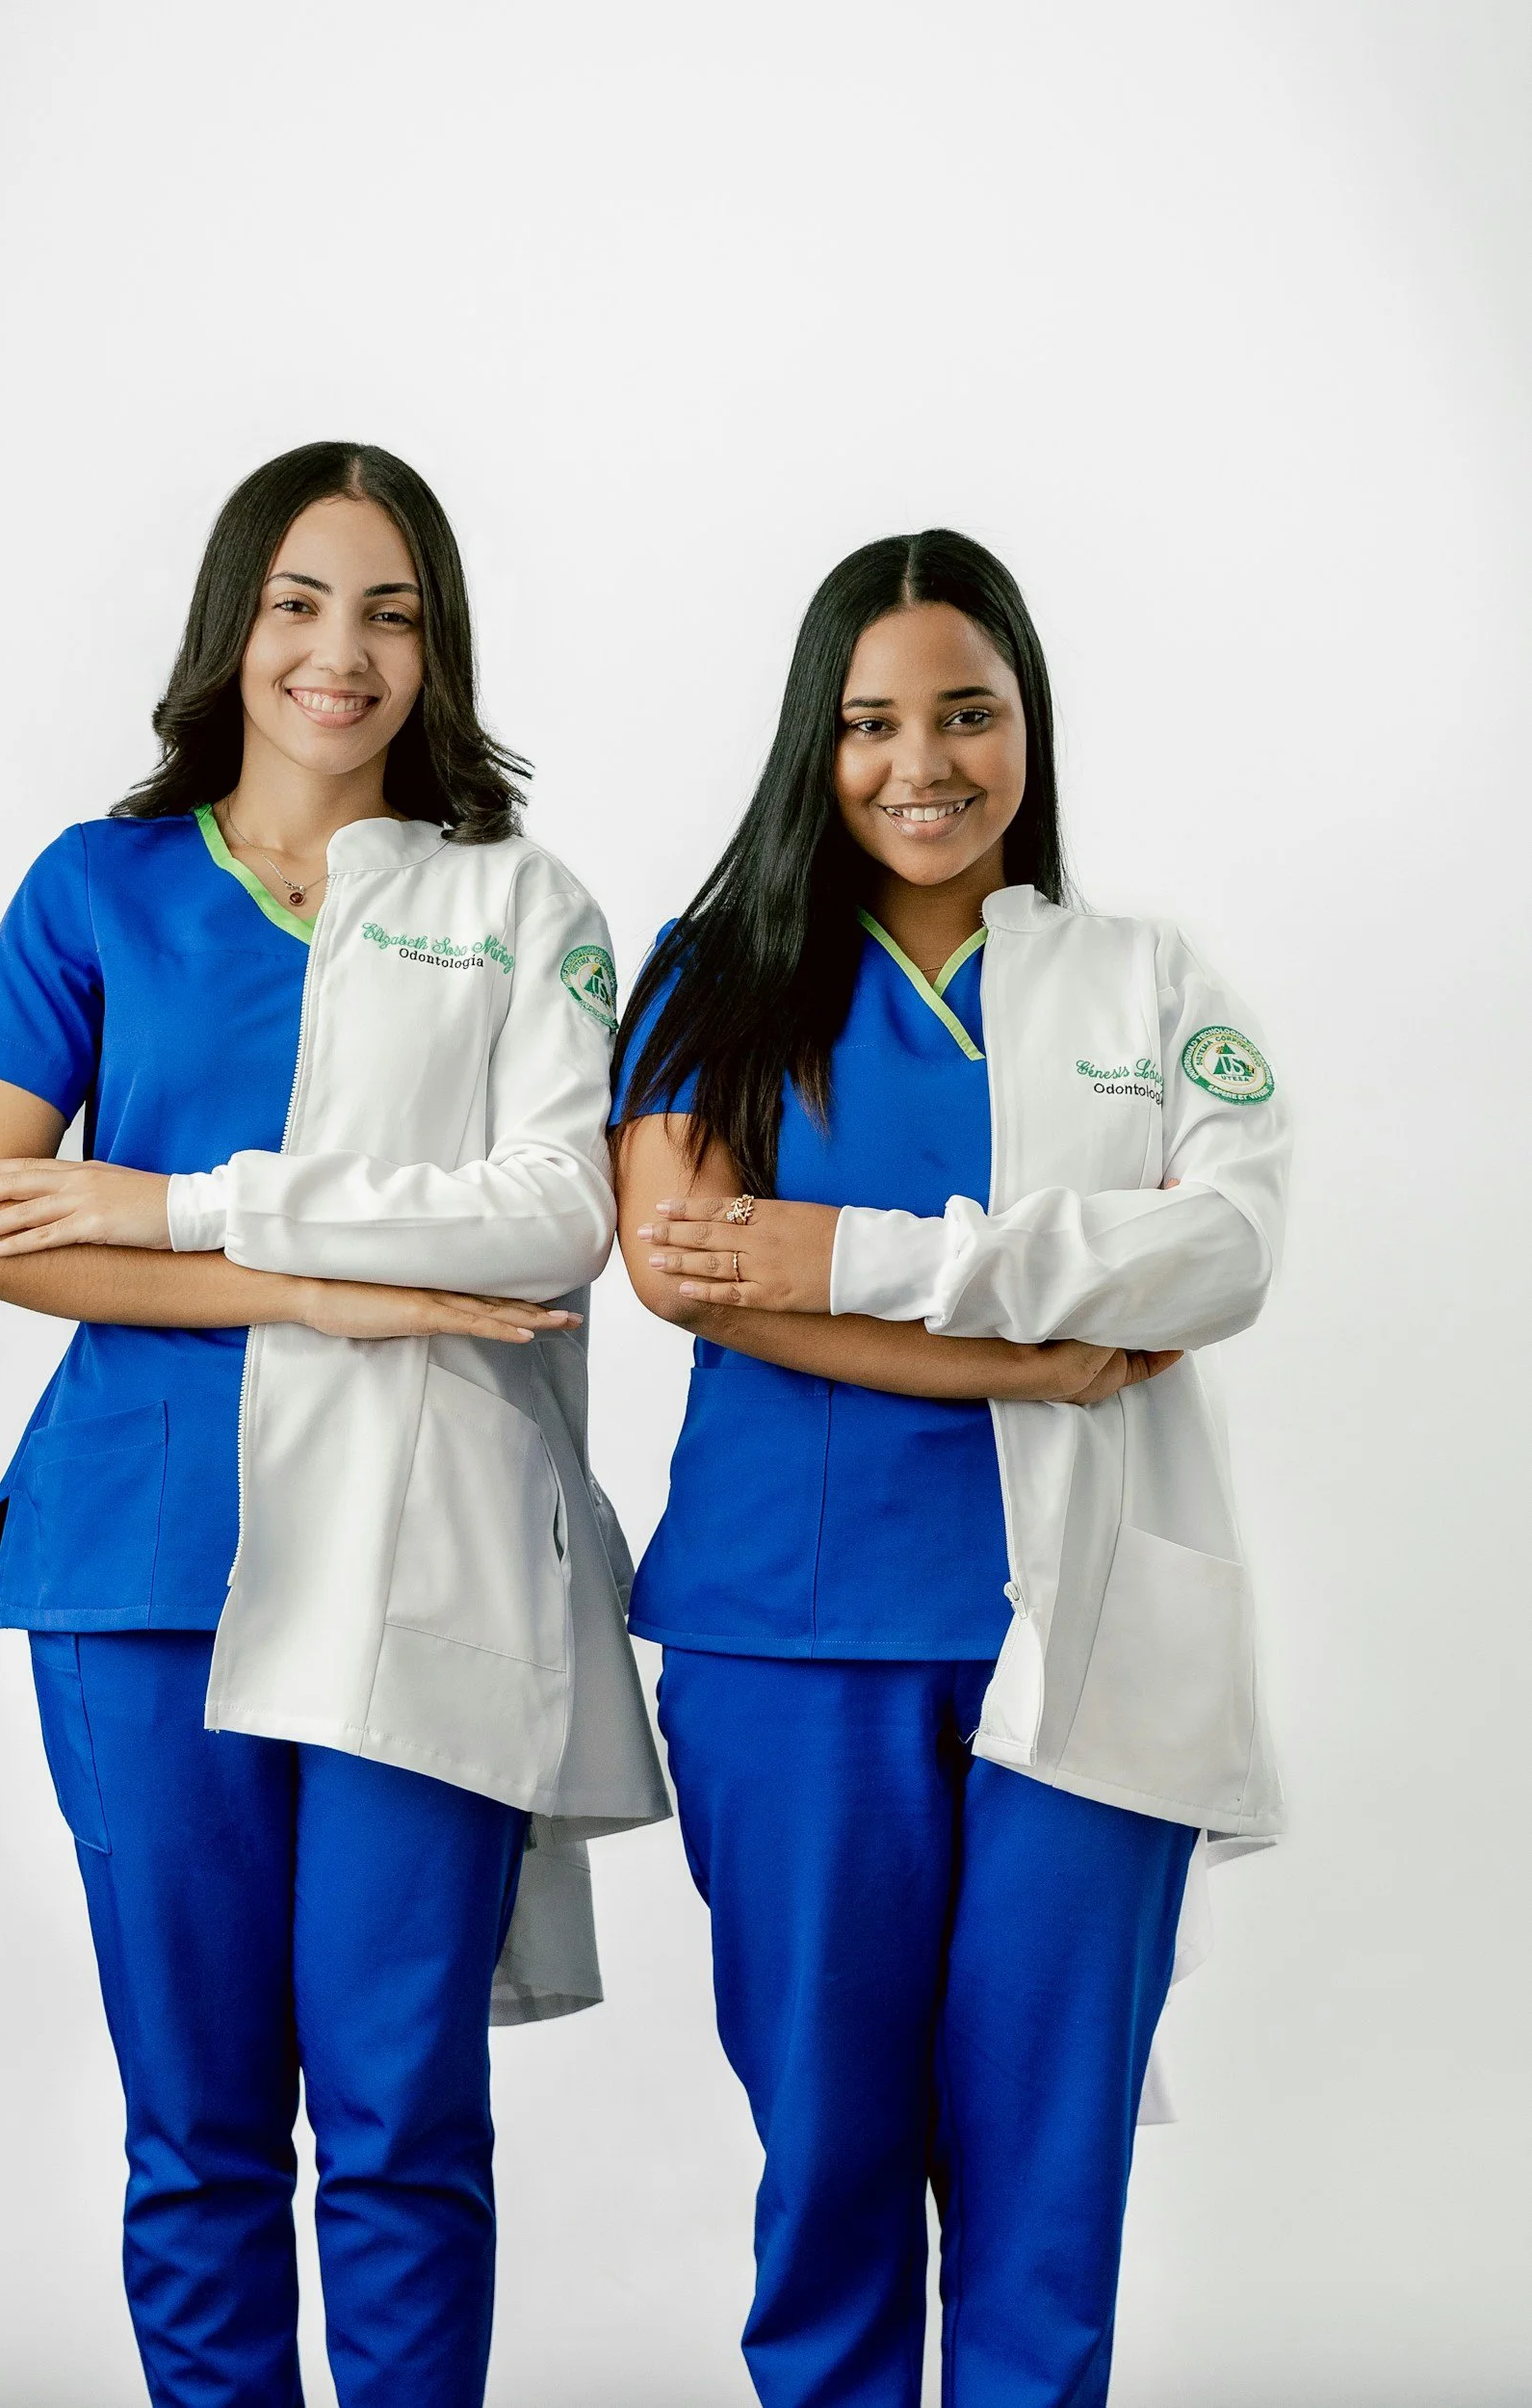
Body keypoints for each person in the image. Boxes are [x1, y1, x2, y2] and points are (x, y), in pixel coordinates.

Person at [0, 440, 667, 2408]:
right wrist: (335, 1292)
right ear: (231, 627)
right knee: (201, 2124)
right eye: (301, 603)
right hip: (140, 1556)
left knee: (405, 2116)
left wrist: (178, 1204)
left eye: (393, 611)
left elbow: (557, 1215)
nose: (343, 652)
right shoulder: (100, 885)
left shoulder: (520, 903)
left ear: (440, 650)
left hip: (418, 1568)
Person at [611, 530, 1289, 2407]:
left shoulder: (1147, 979)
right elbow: (688, 1271)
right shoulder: (718, 972)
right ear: (811, 747)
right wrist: (1052, 1335)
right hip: (790, 1640)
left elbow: (1223, 1252)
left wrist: (848, 1251)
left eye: (970, 713)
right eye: (874, 721)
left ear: (1029, 727)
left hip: (1091, 1653)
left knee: (1044, 2191)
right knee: (830, 2168)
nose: (927, 761)